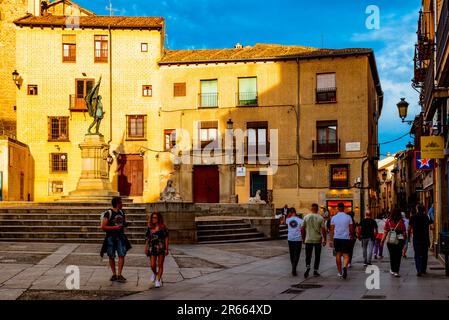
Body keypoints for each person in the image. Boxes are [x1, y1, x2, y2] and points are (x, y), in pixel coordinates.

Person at [100, 196, 131, 282]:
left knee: (122, 255)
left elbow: (122, 223)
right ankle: (114, 274)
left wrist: (125, 224)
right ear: (118, 204)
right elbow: (103, 226)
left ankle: (119, 274)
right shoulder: (108, 213)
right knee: (111, 256)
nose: (122, 204)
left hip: (120, 237)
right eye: (121, 202)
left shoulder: (122, 212)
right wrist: (115, 228)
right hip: (111, 238)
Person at [301, 203, 327, 278]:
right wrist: (325, 239)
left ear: (311, 209)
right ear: (317, 209)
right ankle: (315, 270)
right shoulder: (320, 218)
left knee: (308, 255)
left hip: (308, 239)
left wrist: (303, 239)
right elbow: (323, 230)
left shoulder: (306, 217)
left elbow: (302, 229)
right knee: (317, 256)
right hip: (317, 240)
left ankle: (308, 266)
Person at [329, 202, 354, 279]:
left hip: (337, 238)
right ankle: (345, 267)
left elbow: (331, 230)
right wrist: (351, 236)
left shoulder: (334, 218)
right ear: (344, 208)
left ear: (337, 208)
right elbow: (351, 229)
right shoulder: (348, 217)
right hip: (346, 238)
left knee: (338, 255)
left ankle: (340, 272)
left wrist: (331, 240)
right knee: (346, 255)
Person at [145, 211, 169, 288]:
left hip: (161, 247)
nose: (153, 219)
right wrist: (146, 247)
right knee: (152, 265)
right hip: (152, 247)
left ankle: (158, 280)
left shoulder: (163, 227)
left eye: (155, 217)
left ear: (158, 218)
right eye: (152, 217)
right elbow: (147, 238)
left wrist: (167, 248)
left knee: (160, 264)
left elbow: (166, 238)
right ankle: (155, 274)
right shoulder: (149, 227)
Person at [409, 204, 434, 276]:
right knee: (424, 254)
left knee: (417, 254)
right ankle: (423, 269)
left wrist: (408, 237)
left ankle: (418, 270)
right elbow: (432, 227)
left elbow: (409, 228)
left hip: (416, 238)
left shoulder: (413, 217)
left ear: (417, 209)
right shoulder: (426, 217)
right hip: (425, 238)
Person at [381, 208, 407, 277]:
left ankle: (392, 269)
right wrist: (404, 241)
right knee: (398, 256)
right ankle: (396, 271)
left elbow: (385, 232)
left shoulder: (388, 221)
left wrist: (382, 241)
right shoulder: (401, 222)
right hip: (399, 240)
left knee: (392, 256)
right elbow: (404, 233)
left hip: (391, 240)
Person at [286, 207, 303, 276]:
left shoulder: (288, 220)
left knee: (292, 254)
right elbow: (302, 230)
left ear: (290, 212)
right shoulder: (300, 220)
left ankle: (293, 267)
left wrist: (288, 216)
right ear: (295, 212)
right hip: (298, 239)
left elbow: (285, 221)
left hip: (290, 239)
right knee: (297, 254)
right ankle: (294, 268)